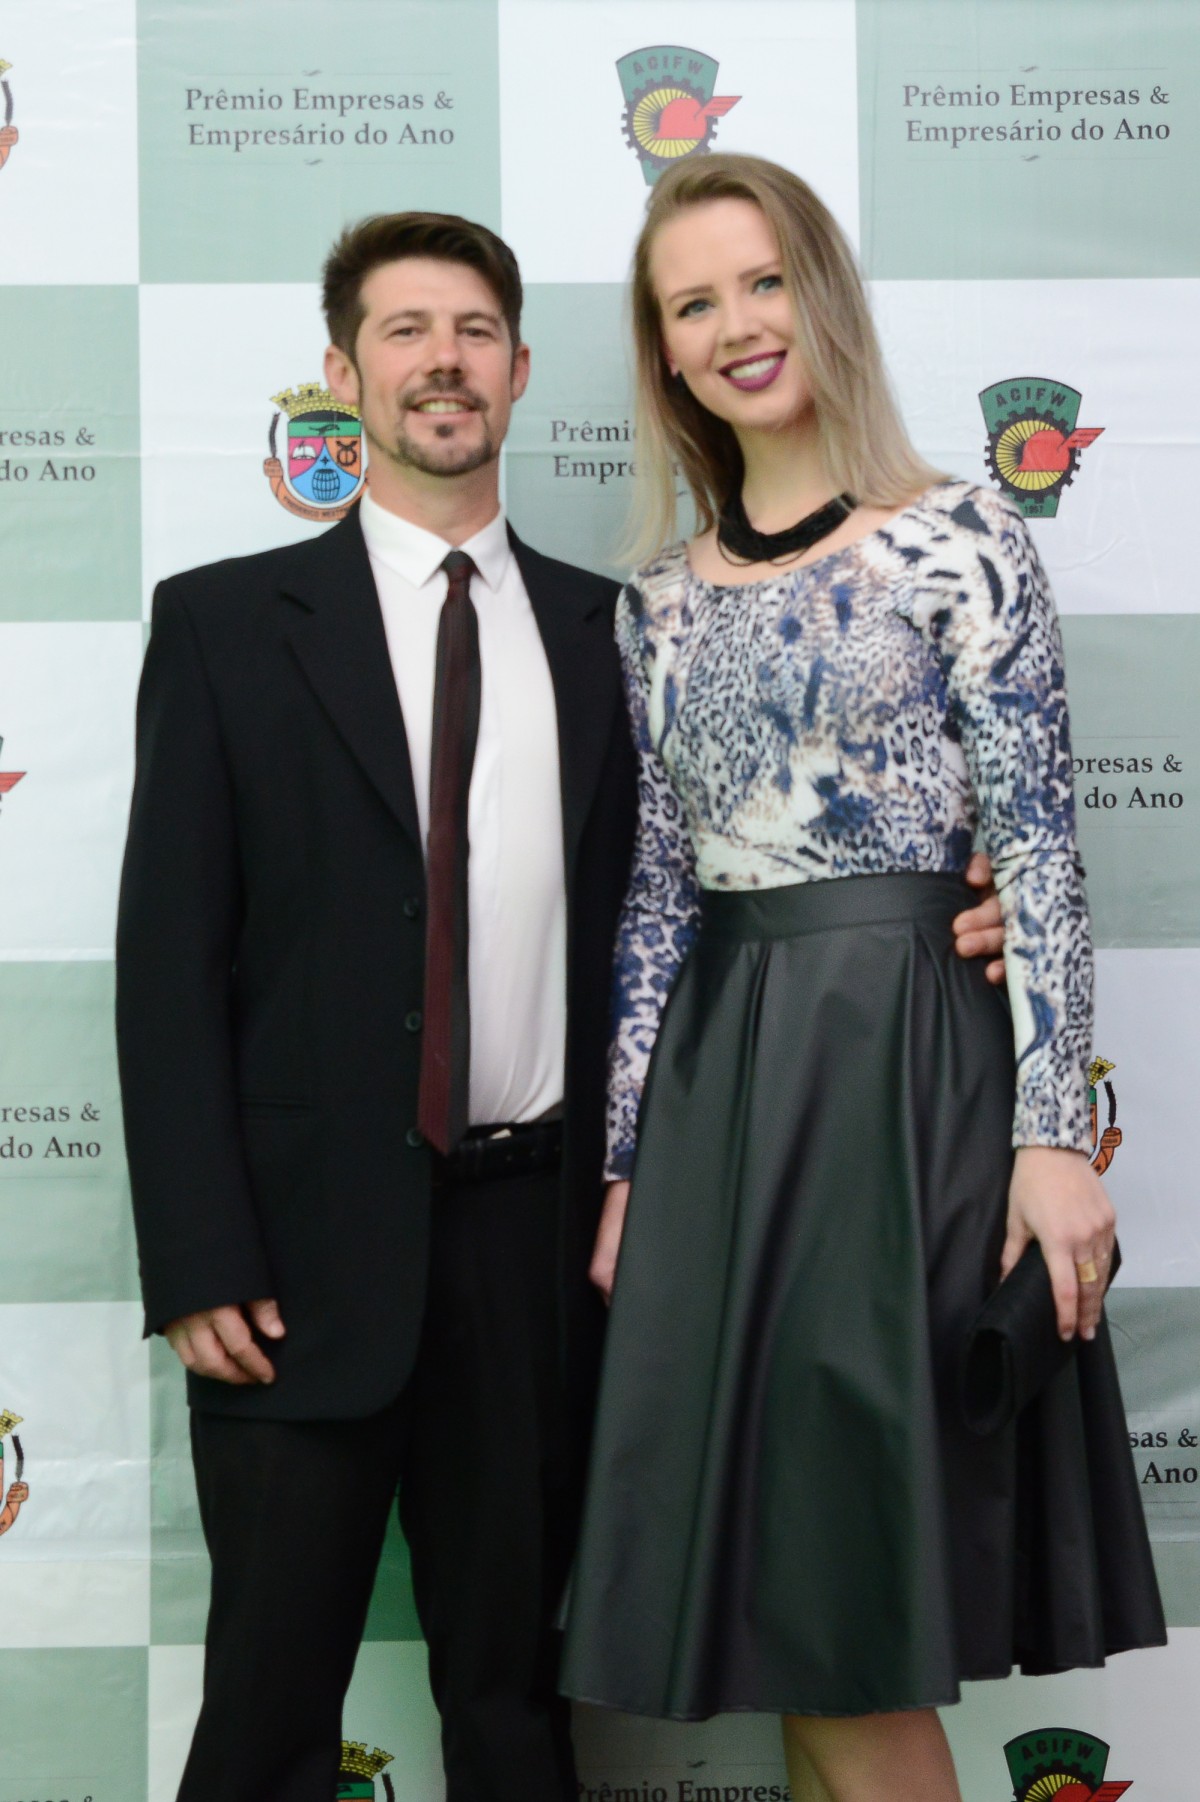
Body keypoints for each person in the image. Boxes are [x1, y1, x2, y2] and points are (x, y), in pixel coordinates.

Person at [116, 209, 1007, 1802]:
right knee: (261, 1713)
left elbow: (736, 872)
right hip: (294, 1266)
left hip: (535, 1251)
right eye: (403, 331)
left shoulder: (627, 629)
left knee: (521, 1716)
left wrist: (959, 894)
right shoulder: (225, 625)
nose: (442, 361)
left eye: (474, 332)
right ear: (341, 373)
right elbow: (168, 964)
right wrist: (197, 1254)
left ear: (522, 371)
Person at [559, 156, 1166, 1802]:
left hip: (905, 1086)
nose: (737, 325)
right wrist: (628, 1162)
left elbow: (1037, 848)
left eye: (763, 281)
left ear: (820, 292)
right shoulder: (655, 607)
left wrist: (1054, 1137)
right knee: (785, 1607)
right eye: (694, 303)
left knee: (843, 1615)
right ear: (666, 351)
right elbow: (659, 896)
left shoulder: (964, 539)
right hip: (722, 1103)